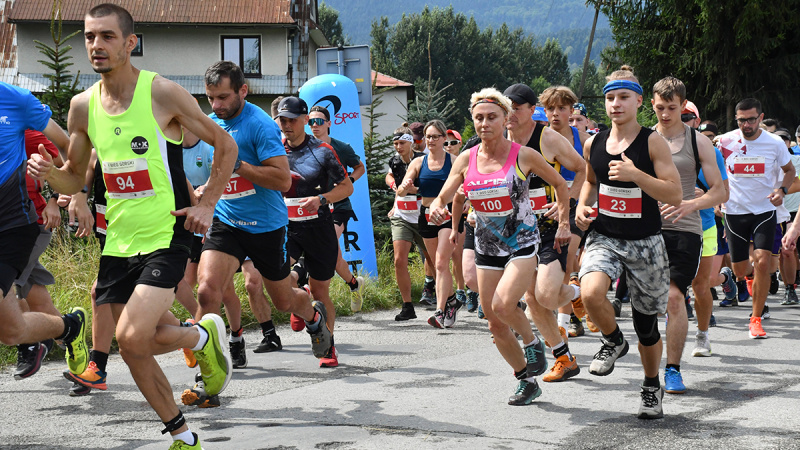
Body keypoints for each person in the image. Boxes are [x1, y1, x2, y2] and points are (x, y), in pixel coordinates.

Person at [27, 5, 241, 448]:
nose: (96, 45)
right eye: (90, 37)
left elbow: (226, 144)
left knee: (129, 338)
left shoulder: (160, 93)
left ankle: (201, 341)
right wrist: (50, 175)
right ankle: (186, 425)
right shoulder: (83, 106)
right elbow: (75, 176)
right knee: (139, 342)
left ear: (130, 43)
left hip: (167, 233)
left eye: (107, 36)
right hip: (118, 242)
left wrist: (208, 203)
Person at [428, 87, 570, 405]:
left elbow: (561, 183)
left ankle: (533, 343)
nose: (484, 123)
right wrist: (438, 205)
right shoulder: (467, 158)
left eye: (491, 117)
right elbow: (448, 193)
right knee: (494, 321)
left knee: (504, 306)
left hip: (522, 242)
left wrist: (563, 222)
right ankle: (526, 381)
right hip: (487, 245)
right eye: (478, 118)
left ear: (505, 119)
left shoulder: (523, 155)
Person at [190, 63, 330, 377]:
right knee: (207, 291)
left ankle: (313, 317)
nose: (216, 105)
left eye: (223, 97)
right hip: (227, 222)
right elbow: (217, 171)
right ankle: (209, 371)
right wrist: (206, 189)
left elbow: (282, 180)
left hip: (266, 227)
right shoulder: (212, 124)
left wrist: (239, 165)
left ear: (243, 90)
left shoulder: (260, 125)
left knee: (283, 301)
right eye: (210, 98)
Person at [575, 66, 683, 419]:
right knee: (590, 293)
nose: (616, 104)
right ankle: (613, 340)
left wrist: (636, 174)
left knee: (646, 327)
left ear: (639, 101)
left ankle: (651, 385)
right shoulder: (593, 142)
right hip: (605, 236)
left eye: (623, 97)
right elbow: (590, 182)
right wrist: (582, 206)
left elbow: (674, 193)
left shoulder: (652, 142)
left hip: (645, 242)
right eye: (610, 98)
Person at [1, 77, 90, 397]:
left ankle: (32, 345)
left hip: (21, 223)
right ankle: (69, 330)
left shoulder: (20, 111)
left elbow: (66, 153)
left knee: (19, 290)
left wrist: (71, 194)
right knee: (24, 310)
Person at [506, 83, 586, 383]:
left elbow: (582, 169)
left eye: (516, 108)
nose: (511, 114)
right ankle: (564, 359)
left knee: (547, 295)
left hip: (551, 226)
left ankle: (581, 293)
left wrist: (567, 205)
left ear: (531, 110)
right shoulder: (501, 140)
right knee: (532, 299)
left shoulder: (547, 138)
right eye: (507, 109)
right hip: (520, 229)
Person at [650, 80, 725, 394]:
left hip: (686, 229)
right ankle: (649, 368)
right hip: (646, 229)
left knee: (674, 297)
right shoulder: (644, 138)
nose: (666, 114)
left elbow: (721, 191)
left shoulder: (699, 142)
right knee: (648, 304)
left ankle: (673, 369)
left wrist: (691, 203)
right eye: (660, 108)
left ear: (683, 105)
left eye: (672, 107)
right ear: (652, 105)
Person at [278, 96, 353, 368]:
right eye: (282, 120)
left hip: (319, 228)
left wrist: (322, 199)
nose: (286, 125)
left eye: (291, 120)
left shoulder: (322, 151)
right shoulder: (274, 149)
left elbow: (346, 187)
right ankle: (301, 301)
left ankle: (328, 345)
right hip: (287, 228)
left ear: (304, 121)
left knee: (321, 292)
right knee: (279, 279)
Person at [718, 98, 794, 339]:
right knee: (740, 269)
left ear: (760, 118)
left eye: (751, 119)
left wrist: (781, 190)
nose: (746, 125)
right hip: (734, 212)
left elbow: (790, 171)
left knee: (763, 262)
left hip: (764, 210)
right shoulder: (725, 141)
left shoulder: (774, 143)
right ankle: (746, 278)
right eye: (741, 120)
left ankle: (756, 319)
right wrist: (717, 197)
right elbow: (715, 171)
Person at [535, 85, 592, 341]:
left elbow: (591, 175)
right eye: (550, 108)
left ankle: (564, 322)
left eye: (562, 108)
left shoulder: (585, 140)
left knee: (567, 255)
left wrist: (570, 202)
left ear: (572, 110)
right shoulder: (538, 139)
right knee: (549, 266)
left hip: (577, 205)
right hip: (545, 208)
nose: (555, 113)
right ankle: (572, 303)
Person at [397, 120, 460, 328]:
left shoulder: (454, 161)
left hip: (447, 214)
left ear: (443, 138)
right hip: (425, 215)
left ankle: (440, 311)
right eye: (428, 137)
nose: (431, 140)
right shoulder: (418, 163)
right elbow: (401, 191)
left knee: (441, 263)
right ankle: (452, 300)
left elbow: (465, 187)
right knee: (436, 264)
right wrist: (405, 186)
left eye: (435, 136)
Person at [308, 105, 366, 311]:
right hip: (315, 205)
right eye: (311, 122)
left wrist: (348, 181)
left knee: (326, 242)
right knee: (334, 255)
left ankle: (312, 290)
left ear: (329, 123)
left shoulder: (341, 147)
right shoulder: (305, 147)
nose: (314, 125)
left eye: (319, 121)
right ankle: (354, 284)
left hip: (338, 205)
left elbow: (360, 167)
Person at [386, 127, 429, 321]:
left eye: (402, 143)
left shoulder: (422, 160)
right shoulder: (395, 161)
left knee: (433, 260)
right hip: (402, 215)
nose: (398, 147)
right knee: (399, 260)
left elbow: (434, 185)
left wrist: (415, 190)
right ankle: (407, 306)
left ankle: (445, 299)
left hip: (422, 214)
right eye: (395, 143)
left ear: (411, 142)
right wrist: (394, 188)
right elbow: (390, 176)